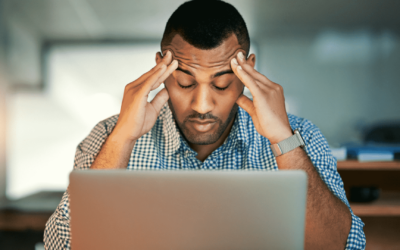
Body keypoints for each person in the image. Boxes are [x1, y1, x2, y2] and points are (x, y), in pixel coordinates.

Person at [44, 0, 366, 249]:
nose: (202, 105)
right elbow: (62, 246)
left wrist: (282, 139)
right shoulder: (108, 137)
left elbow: (341, 246)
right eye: (185, 83)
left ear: (248, 71)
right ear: (161, 69)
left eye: (222, 84)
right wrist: (122, 141)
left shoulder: (301, 137)